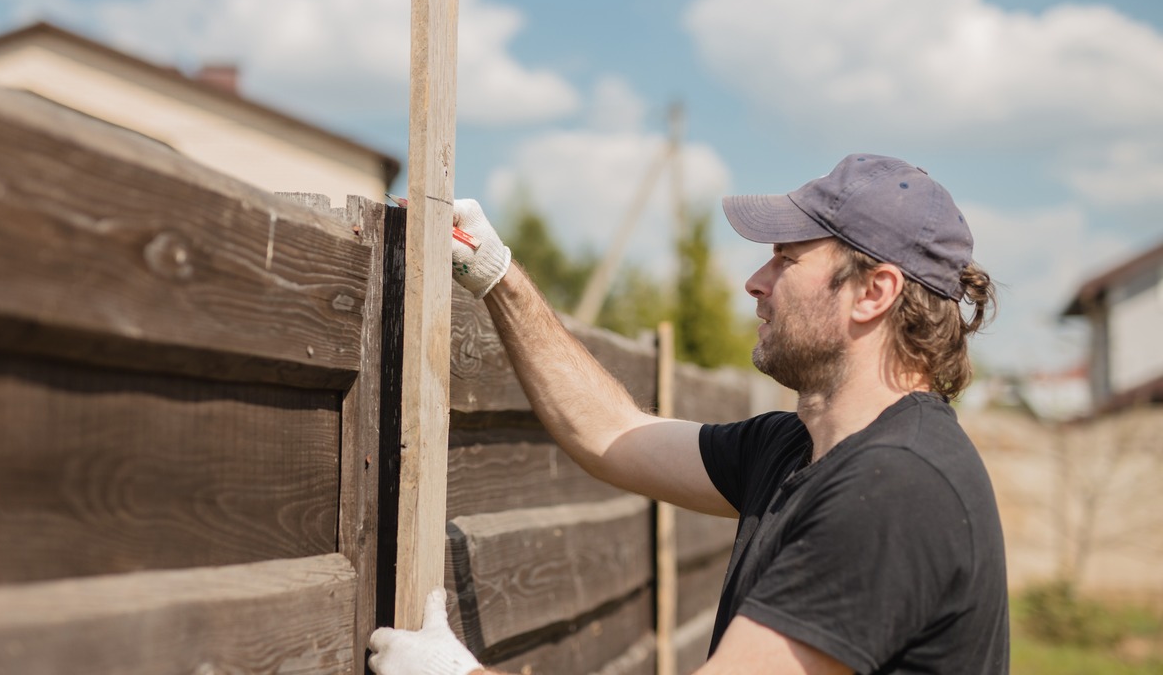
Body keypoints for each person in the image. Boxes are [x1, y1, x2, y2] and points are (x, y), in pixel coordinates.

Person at [369, 154, 1009, 675]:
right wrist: (498, 276)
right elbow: (612, 431)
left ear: (874, 292)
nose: (756, 281)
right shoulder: (795, 449)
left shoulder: (895, 487)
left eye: (787, 258)